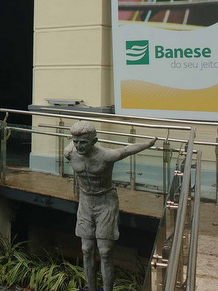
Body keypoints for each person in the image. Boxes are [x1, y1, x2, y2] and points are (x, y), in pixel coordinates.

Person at [64, 121, 157, 291]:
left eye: (83, 142)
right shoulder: (70, 152)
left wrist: (148, 143)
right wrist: (74, 139)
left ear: (94, 141)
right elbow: (73, 141)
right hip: (85, 201)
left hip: (105, 202)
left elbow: (127, 150)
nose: (78, 146)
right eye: (75, 141)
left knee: (105, 252)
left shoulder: (106, 156)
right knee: (86, 249)